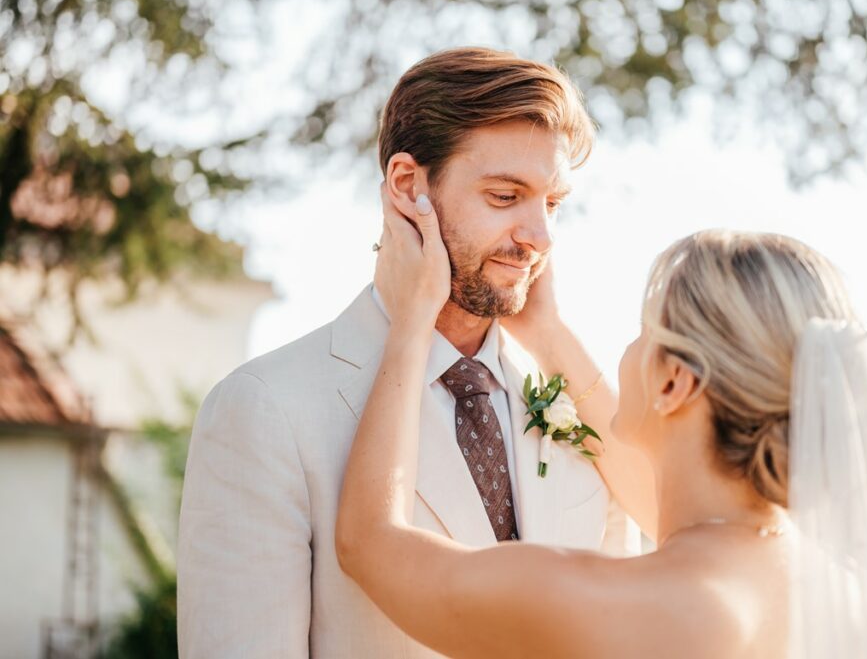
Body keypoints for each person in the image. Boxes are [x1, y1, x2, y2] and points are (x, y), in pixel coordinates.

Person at [336, 197, 867, 658]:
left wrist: (412, 319)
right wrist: (547, 331)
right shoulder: (842, 587)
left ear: (676, 381)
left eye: (644, 332)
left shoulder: (603, 596)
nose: (627, 349)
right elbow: (670, 507)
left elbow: (370, 542)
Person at [177, 47, 637, 659]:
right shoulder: (264, 410)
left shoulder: (581, 408)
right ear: (407, 186)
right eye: (505, 196)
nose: (540, 237)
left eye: (551, 204)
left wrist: (551, 334)